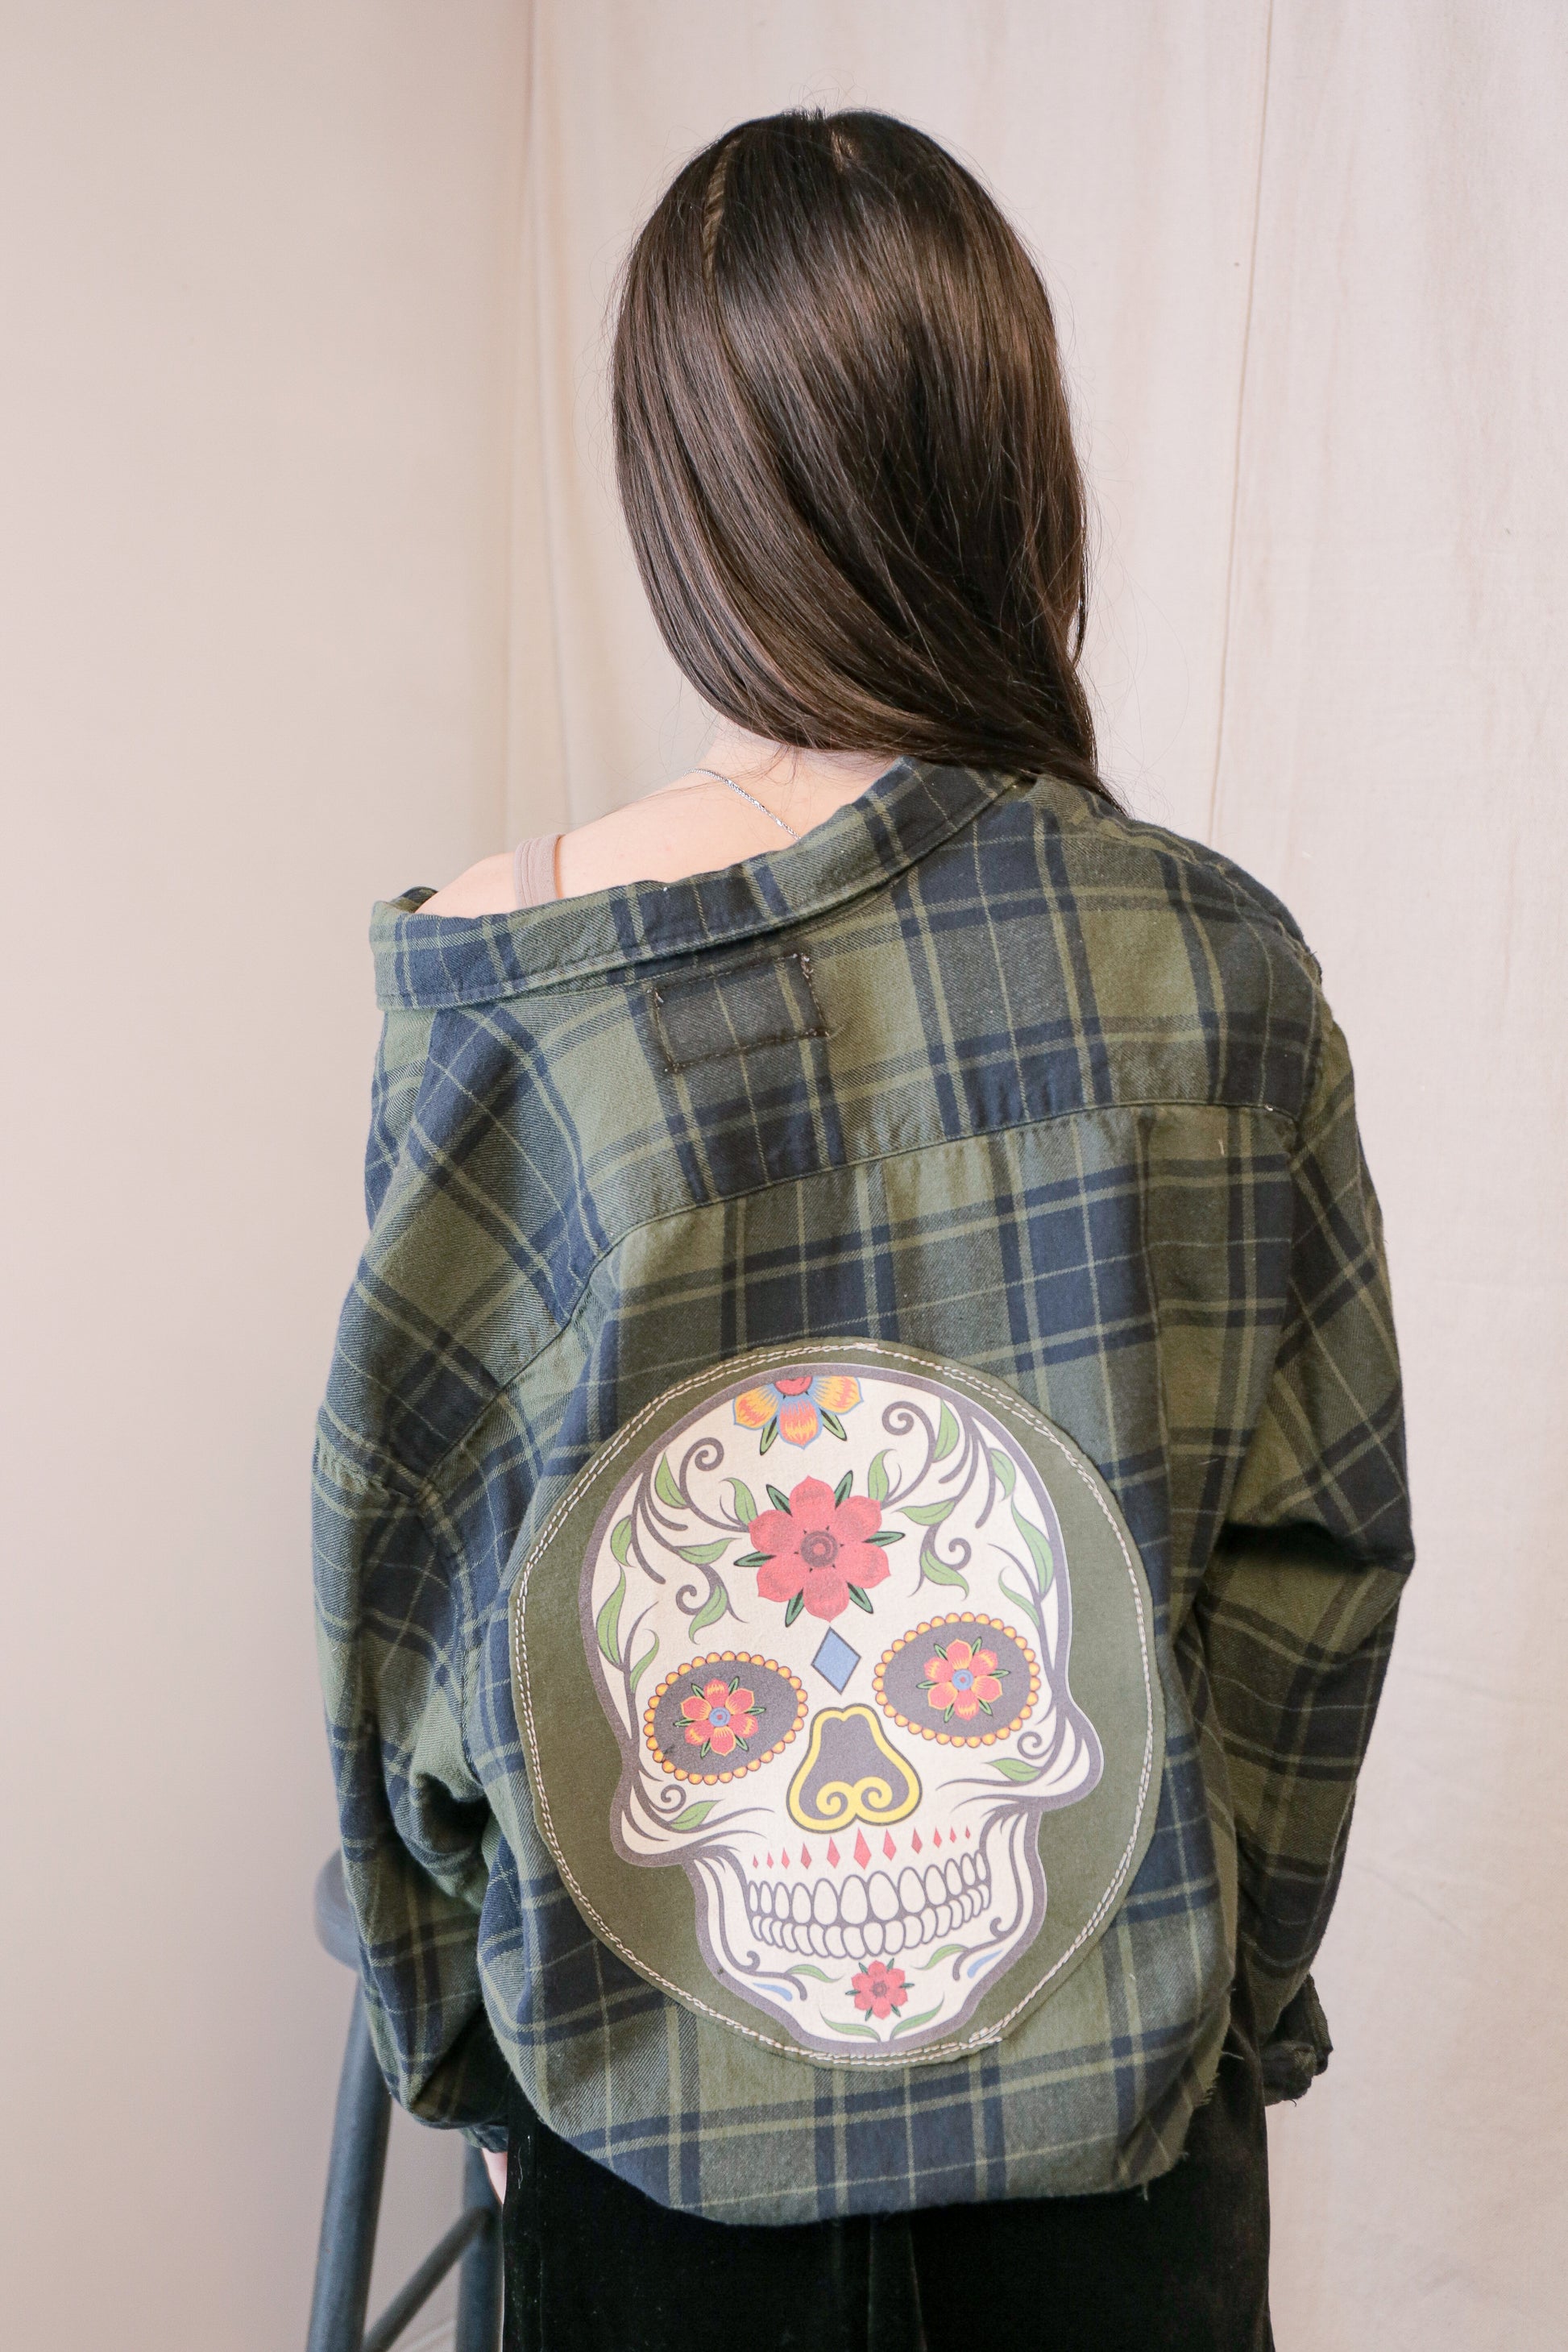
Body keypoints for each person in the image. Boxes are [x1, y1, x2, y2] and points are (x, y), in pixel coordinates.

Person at [314, 109, 1412, 2351]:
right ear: (1017, 468)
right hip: (1113, 2175)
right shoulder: (1215, 965)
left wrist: (475, 2048)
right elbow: (1318, 1568)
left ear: (680, 486)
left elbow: (403, 1603)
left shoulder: (515, 988)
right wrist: (1214, 1993)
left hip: (650, 2169)